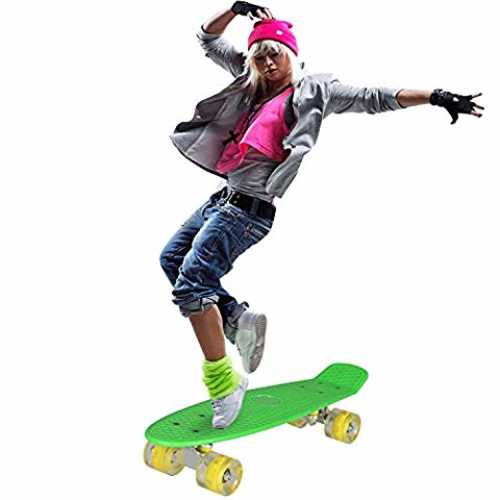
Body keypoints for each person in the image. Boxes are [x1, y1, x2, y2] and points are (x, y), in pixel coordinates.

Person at [160, 2, 484, 429]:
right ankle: (236, 318)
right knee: (172, 259)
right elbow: (206, 38)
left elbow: (374, 98)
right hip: (223, 198)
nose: (268, 64)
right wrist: (235, 9)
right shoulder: (250, 83)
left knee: (192, 283)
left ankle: (224, 385)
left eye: (275, 55)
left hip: (247, 212)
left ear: (291, 54)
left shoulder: (312, 92)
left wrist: (435, 96)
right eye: (261, 57)